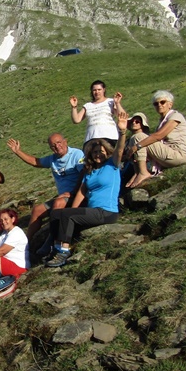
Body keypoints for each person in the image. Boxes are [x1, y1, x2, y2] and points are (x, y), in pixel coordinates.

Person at [45, 111, 128, 267]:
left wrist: (122, 132)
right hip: (93, 212)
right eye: (95, 152)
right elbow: (82, 192)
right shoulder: (90, 171)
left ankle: (63, 252)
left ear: (107, 152)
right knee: (58, 214)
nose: (98, 154)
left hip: (107, 212)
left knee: (67, 215)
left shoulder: (112, 165)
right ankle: (54, 248)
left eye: (101, 151)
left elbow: (120, 150)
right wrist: (69, 213)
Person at [7, 134, 85, 257]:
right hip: (63, 197)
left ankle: (51, 241)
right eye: (53, 145)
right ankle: (25, 243)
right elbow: (35, 161)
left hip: (77, 195)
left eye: (59, 143)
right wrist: (18, 151)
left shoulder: (77, 154)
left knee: (58, 204)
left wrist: (73, 192)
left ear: (65, 141)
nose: (57, 147)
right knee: (37, 210)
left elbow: (84, 175)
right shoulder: (52, 159)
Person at [124, 90, 186, 188]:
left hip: (177, 154)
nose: (159, 105)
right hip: (167, 154)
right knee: (136, 138)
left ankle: (143, 172)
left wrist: (137, 147)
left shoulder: (175, 116)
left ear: (170, 104)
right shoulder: (162, 121)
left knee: (139, 137)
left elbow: (158, 136)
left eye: (162, 102)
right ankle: (138, 172)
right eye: (156, 104)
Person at [70, 81, 124, 147]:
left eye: (99, 89)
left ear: (104, 90)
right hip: (91, 138)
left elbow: (122, 116)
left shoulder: (110, 101)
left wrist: (117, 103)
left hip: (109, 137)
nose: (97, 92)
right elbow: (76, 120)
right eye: (94, 90)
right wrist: (74, 107)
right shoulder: (88, 105)